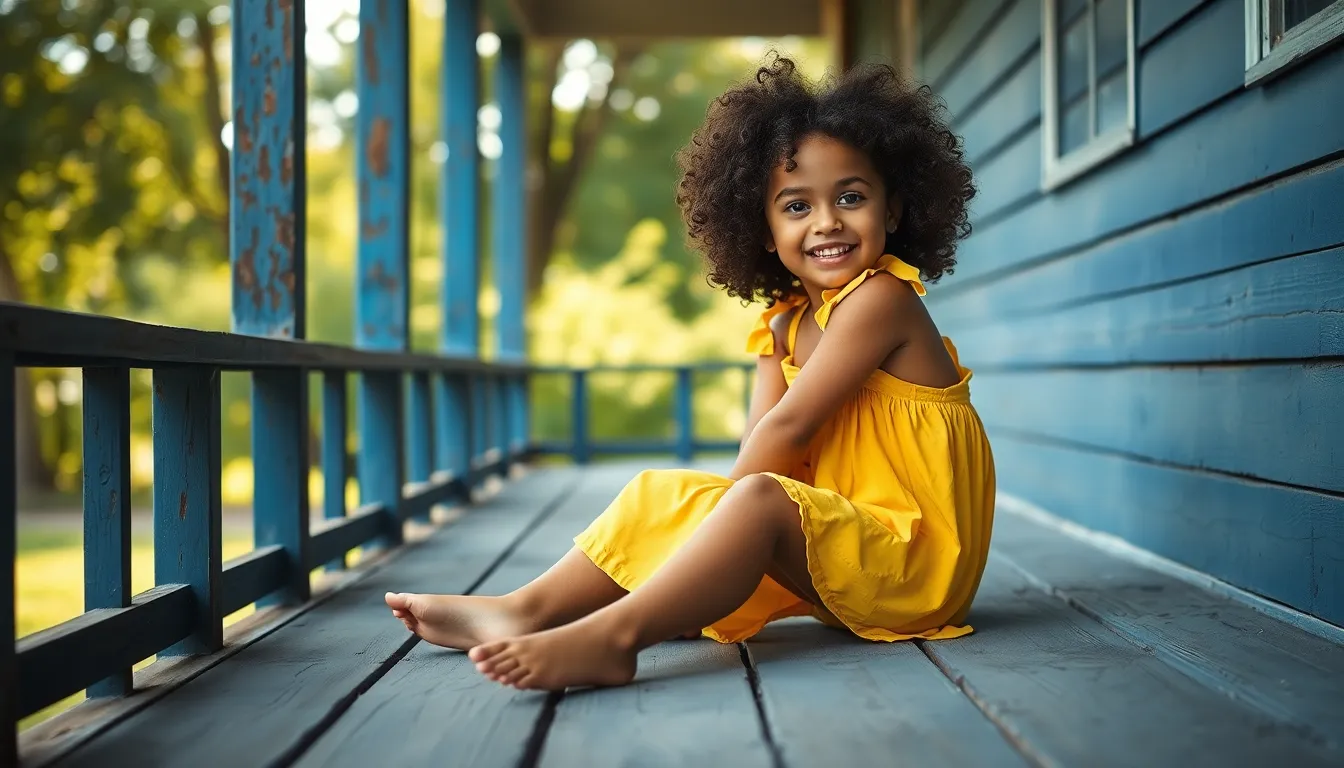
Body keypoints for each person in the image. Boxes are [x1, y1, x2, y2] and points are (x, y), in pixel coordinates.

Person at [385, 53, 994, 691]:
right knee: (664, 493)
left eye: (851, 197)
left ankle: (614, 637)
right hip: (845, 552)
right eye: (795, 206)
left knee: (751, 501)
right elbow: (759, 446)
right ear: (760, 229)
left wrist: (703, 548)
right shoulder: (784, 324)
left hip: (916, 570)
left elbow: (785, 433)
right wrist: (697, 553)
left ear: (893, 210)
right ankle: (523, 609)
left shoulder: (881, 299)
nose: (826, 222)